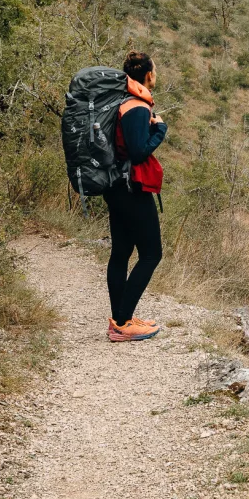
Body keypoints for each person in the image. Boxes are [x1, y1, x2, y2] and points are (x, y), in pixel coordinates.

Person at [104, 51, 167, 342]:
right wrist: (160, 131)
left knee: (121, 253)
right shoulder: (138, 106)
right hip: (132, 189)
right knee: (152, 253)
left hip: (115, 185)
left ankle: (121, 319)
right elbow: (139, 151)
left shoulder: (120, 101)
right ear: (148, 75)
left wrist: (148, 128)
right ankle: (122, 323)